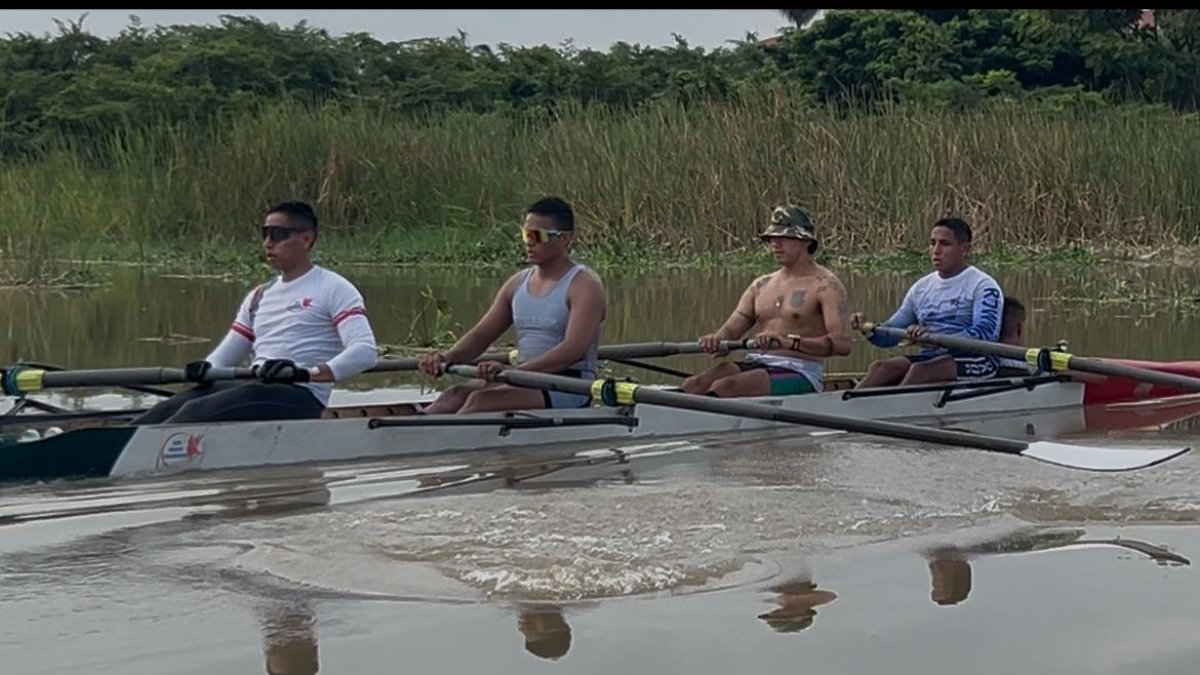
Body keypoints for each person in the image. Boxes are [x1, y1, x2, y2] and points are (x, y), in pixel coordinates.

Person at [131, 201, 379, 425]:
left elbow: (365, 351)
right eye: (265, 234)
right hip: (256, 386)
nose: (268, 243)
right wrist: (205, 368)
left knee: (195, 412)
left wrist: (307, 373)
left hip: (301, 394)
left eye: (278, 235)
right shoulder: (259, 295)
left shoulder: (334, 288)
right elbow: (226, 355)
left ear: (306, 239)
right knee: (166, 409)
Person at [417, 196, 606, 414]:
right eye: (526, 234)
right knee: (454, 395)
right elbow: (481, 336)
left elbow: (574, 350)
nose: (529, 242)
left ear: (564, 239)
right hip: (523, 378)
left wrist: (514, 371)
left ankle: (435, 442)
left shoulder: (584, 286)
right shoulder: (516, 283)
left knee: (481, 401)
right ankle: (409, 436)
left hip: (569, 387)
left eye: (537, 236)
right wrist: (445, 357)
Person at [681, 204, 852, 397]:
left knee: (725, 388)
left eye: (784, 238)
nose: (775, 245)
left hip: (800, 371)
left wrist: (789, 343)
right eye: (772, 238)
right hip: (757, 362)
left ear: (805, 241)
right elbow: (731, 331)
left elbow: (843, 344)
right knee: (694, 385)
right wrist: (716, 340)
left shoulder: (826, 286)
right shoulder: (761, 285)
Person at [850, 217, 1003, 387]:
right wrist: (866, 328)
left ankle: (897, 409)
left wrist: (935, 339)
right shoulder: (921, 288)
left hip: (979, 360)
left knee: (921, 371)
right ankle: (849, 407)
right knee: (881, 368)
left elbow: (985, 333)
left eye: (945, 244)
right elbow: (889, 336)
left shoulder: (983, 285)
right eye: (932, 243)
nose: (936, 251)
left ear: (964, 248)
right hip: (932, 358)